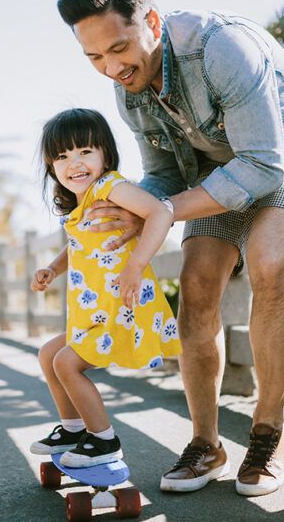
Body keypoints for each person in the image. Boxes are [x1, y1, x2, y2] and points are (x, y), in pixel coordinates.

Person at [57, 0, 284, 495]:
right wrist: (138, 205)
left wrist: (159, 210)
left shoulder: (221, 47)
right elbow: (165, 175)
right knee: (197, 283)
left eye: (119, 48)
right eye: (94, 58)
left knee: (269, 260)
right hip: (215, 169)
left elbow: (264, 167)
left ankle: (269, 430)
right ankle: (206, 443)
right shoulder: (128, 90)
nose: (112, 68)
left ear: (151, 21)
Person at [28, 108, 182, 468]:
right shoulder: (83, 203)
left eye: (85, 151)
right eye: (62, 156)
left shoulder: (110, 186)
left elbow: (160, 212)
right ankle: (72, 428)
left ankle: (103, 440)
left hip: (122, 306)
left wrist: (136, 265)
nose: (74, 163)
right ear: (51, 166)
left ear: (105, 154)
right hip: (96, 310)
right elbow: (80, 243)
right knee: (49, 355)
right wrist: (52, 267)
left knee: (67, 363)